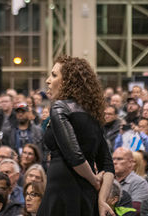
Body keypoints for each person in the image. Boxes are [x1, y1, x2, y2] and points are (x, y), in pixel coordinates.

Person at [38, 55, 114, 216]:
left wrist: (94, 181)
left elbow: (75, 156)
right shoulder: (93, 114)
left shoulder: (60, 107)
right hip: (86, 194)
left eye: (54, 75)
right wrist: (101, 200)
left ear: (68, 81)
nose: (47, 80)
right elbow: (107, 165)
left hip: (62, 191)